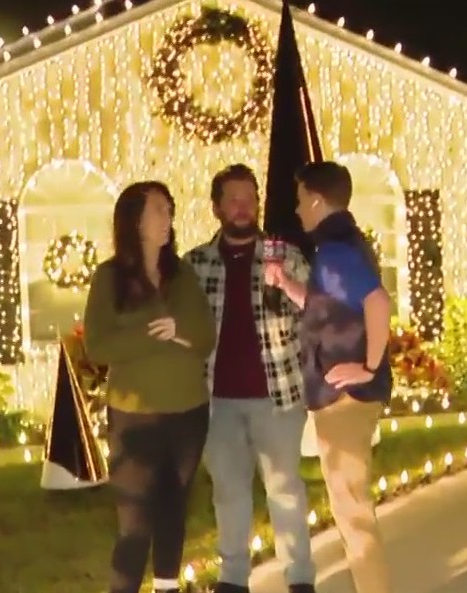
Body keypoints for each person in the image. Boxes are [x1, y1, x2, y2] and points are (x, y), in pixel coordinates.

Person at [185, 164, 316, 593]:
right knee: (228, 491)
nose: (243, 208)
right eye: (234, 200)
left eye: (250, 198)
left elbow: (316, 312)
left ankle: (298, 577)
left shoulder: (287, 256)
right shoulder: (196, 265)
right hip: (216, 400)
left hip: (277, 396)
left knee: (285, 489)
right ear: (217, 207)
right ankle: (233, 577)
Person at [265, 161, 393, 593]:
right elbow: (332, 307)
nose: (298, 209)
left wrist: (369, 367)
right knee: (352, 508)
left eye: (301, 199)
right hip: (346, 393)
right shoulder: (340, 246)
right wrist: (288, 285)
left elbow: (377, 303)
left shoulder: (336, 250)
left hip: (345, 397)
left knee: (353, 510)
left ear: (318, 200)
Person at [83, 180, 216, 593]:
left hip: (188, 413)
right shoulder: (110, 278)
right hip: (135, 418)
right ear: (134, 219)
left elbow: (206, 334)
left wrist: (179, 329)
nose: (168, 217)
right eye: (159, 209)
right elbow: (99, 345)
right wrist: (152, 334)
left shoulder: (183, 274)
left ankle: (167, 587)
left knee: (174, 509)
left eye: (169, 210)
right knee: (135, 523)